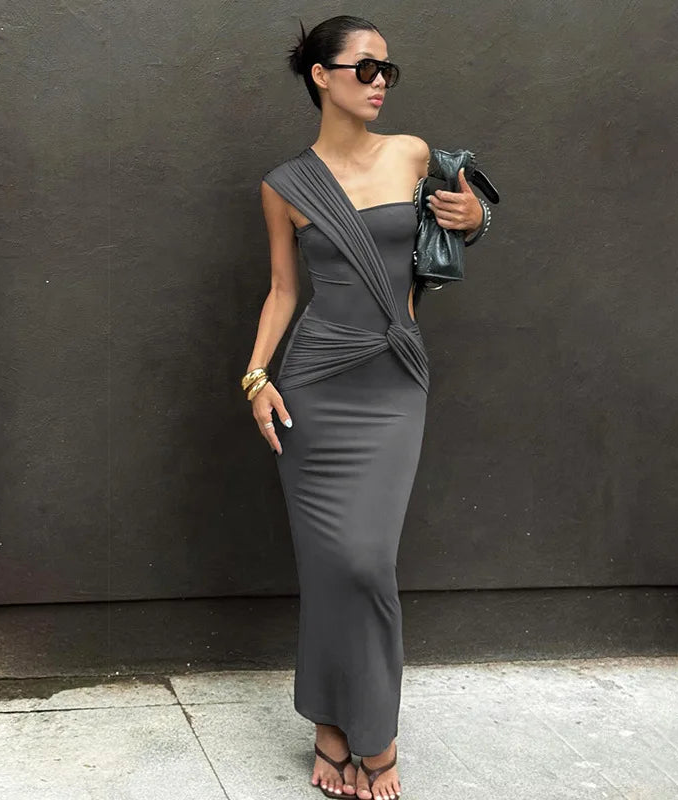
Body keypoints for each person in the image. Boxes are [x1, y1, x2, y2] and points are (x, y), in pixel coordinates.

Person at [240, 15, 486, 800]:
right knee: (327, 566)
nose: (381, 81)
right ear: (321, 75)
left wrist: (473, 217)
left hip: (391, 379)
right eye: (365, 68)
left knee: (365, 560)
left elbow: (469, 222)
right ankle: (329, 727)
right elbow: (284, 291)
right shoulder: (284, 185)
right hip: (313, 382)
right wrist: (254, 377)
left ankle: (371, 735)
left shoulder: (412, 154)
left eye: (389, 71)